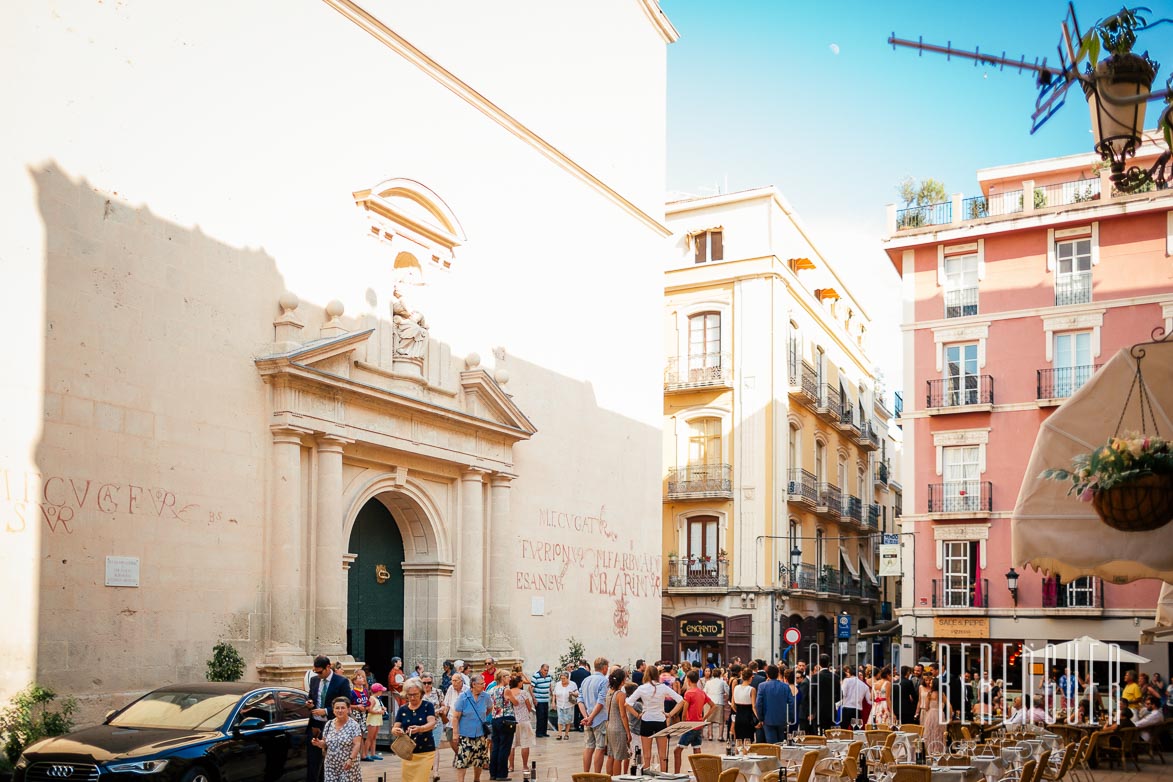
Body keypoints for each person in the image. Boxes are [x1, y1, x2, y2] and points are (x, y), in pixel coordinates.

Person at [628, 664, 684, 772]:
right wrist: (670, 714)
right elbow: (680, 700)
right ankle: (663, 776)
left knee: (647, 755)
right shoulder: (663, 687)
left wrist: (637, 715)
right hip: (660, 720)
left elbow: (627, 703)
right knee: (663, 755)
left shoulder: (642, 688)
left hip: (646, 720)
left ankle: (647, 775)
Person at [307, 656, 354, 782]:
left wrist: (326, 711)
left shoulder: (341, 681)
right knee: (313, 759)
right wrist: (310, 703)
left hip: (334, 725)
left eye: (320, 671)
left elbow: (346, 703)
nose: (317, 674)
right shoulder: (314, 680)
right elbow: (311, 696)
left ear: (328, 667)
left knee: (331, 758)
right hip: (315, 724)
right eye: (315, 671)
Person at [393, 680, 438, 782]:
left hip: (425, 751)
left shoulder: (428, 706)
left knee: (420, 779)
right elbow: (395, 727)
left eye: (415, 695)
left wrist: (420, 728)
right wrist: (397, 731)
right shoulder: (402, 709)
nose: (412, 698)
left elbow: (432, 723)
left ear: (421, 693)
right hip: (408, 752)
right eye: (410, 695)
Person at [311, 697, 363, 782]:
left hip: (347, 764)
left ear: (348, 709)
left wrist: (351, 759)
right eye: (337, 708)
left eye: (343, 708)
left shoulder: (354, 725)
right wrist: (318, 743)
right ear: (333, 710)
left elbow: (357, 744)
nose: (340, 710)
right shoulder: (329, 724)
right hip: (331, 765)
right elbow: (325, 743)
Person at [451, 676, 492, 782]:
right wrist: (455, 733)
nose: (484, 685)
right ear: (473, 685)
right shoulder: (463, 697)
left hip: (480, 734)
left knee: (479, 760)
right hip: (465, 735)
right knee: (462, 761)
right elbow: (455, 717)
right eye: (481, 684)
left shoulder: (486, 697)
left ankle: (477, 779)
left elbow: (489, 709)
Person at [578, 656, 610, 773]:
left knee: (588, 746)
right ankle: (597, 774)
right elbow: (601, 702)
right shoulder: (604, 681)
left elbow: (580, 700)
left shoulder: (586, 680)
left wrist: (586, 716)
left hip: (587, 717)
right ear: (605, 668)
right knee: (600, 747)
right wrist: (591, 717)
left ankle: (585, 773)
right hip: (599, 718)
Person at [488, 671, 518, 781]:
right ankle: (501, 774)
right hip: (506, 719)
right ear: (503, 678)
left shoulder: (492, 689)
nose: (510, 679)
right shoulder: (506, 690)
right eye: (508, 677)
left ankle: (493, 773)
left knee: (495, 747)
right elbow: (516, 703)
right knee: (504, 747)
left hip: (495, 719)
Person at [604, 668, 632, 776]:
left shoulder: (609, 692)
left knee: (611, 755)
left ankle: (609, 778)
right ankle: (617, 778)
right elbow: (623, 715)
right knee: (618, 757)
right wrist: (628, 732)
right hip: (618, 728)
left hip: (609, 726)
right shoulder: (620, 694)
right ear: (622, 680)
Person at [754, 664, 792, 743]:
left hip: (768, 719)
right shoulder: (785, 686)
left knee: (772, 744)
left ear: (767, 674)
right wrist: (789, 717)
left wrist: (760, 718)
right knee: (781, 742)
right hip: (782, 719)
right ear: (778, 673)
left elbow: (758, 703)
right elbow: (791, 703)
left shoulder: (762, 686)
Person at [508, 673, 535, 774]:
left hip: (512, 720)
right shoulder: (523, 693)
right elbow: (529, 706)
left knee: (511, 744)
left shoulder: (508, 692)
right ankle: (524, 766)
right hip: (524, 720)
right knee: (525, 743)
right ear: (518, 683)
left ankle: (511, 766)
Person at [808, 654, 841, 732]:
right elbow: (840, 695)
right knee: (830, 734)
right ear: (828, 663)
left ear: (819, 664)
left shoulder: (815, 677)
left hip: (818, 710)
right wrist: (831, 700)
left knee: (819, 734)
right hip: (831, 710)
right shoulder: (835, 677)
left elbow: (812, 694)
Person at [422, 673, 444, 782]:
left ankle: (435, 772)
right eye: (424, 683)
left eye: (429, 683)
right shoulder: (418, 693)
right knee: (425, 748)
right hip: (422, 725)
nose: (427, 685)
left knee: (435, 747)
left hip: (437, 723)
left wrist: (441, 710)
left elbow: (443, 705)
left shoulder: (438, 692)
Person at [919, 675, 949, 752]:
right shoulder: (942, 695)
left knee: (930, 733)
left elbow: (926, 707)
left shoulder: (929, 694)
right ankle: (939, 750)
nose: (930, 684)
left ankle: (931, 750)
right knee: (940, 733)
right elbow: (949, 706)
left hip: (931, 715)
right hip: (940, 715)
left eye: (931, 683)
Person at [730, 667, 757, 748]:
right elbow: (754, 706)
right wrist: (758, 719)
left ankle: (738, 757)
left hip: (739, 715)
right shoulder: (752, 689)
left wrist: (737, 711)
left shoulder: (736, 688)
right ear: (750, 677)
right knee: (748, 741)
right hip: (748, 716)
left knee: (739, 740)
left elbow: (732, 704)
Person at [702, 666, 728, 741]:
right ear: (720, 674)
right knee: (720, 721)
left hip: (709, 701)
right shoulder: (723, 682)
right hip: (719, 701)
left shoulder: (708, 682)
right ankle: (720, 736)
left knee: (709, 720)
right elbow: (727, 691)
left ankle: (710, 735)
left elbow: (704, 692)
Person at [552, 670, 579, 741]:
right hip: (560, 704)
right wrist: (553, 702)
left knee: (568, 720)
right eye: (561, 678)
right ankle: (560, 734)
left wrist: (572, 693)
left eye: (564, 678)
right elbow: (554, 694)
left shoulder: (573, 684)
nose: (562, 680)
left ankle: (566, 734)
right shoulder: (558, 684)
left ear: (568, 678)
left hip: (569, 704)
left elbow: (577, 694)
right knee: (560, 719)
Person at [364, 683, 386, 761]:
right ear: (378, 691)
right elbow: (369, 709)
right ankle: (365, 754)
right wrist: (379, 712)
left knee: (374, 737)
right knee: (369, 737)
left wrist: (382, 709)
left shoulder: (377, 699)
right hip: (372, 719)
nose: (382, 692)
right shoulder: (372, 698)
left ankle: (373, 753)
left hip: (377, 719)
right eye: (381, 691)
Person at [531, 663, 552, 738]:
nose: (546, 672)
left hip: (546, 699)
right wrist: (534, 699)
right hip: (538, 699)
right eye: (545, 670)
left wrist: (552, 694)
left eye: (547, 670)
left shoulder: (549, 676)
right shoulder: (536, 676)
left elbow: (550, 685)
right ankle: (539, 732)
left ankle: (544, 732)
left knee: (545, 716)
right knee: (540, 716)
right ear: (541, 669)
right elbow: (531, 688)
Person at [570, 659, 590, 732]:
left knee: (576, 709)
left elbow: (571, 683)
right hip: (584, 693)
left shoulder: (573, 673)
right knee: (583, 709)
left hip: (575, 692)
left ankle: (576, 725)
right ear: (585, 665)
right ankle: (582, 725)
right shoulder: (587, 673)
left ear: (579, 664)